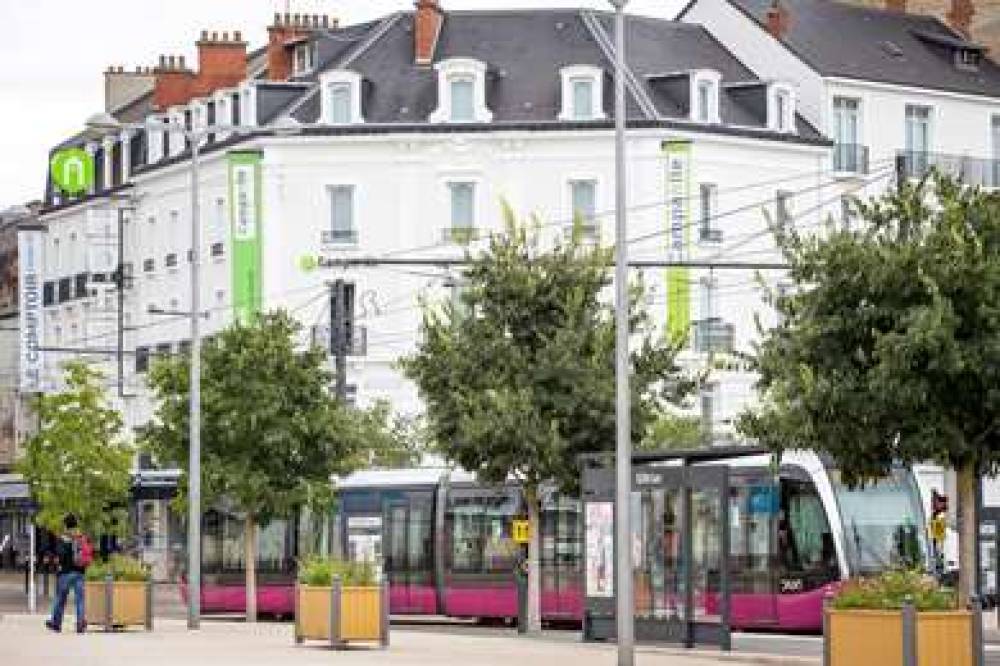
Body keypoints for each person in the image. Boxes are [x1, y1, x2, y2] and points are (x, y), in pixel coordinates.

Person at [44, 515, 92, 634]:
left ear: (65, 524)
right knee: (80, 600)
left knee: (60, 598)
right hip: (79, 572)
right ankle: (80, 624)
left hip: (65, 573)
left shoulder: (64, 538)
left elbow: (60, 554)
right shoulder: (81, 536)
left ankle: (56, 623)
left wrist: (56, 561)